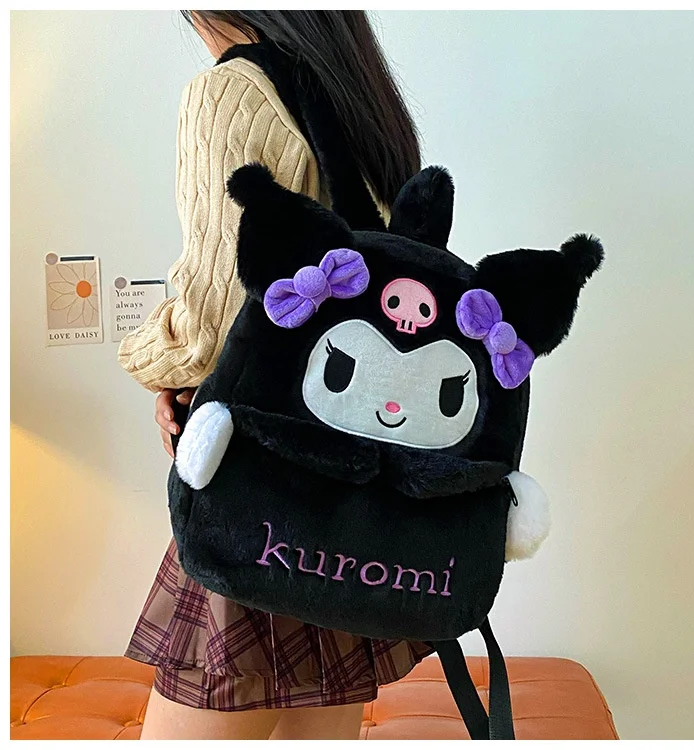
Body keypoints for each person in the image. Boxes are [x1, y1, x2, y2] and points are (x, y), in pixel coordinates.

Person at [118, 10, 434, 741]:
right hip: (353, 493)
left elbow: (207, 321)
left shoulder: (232, 91)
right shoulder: (359, 101)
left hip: (258, 488)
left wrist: (147, 361)